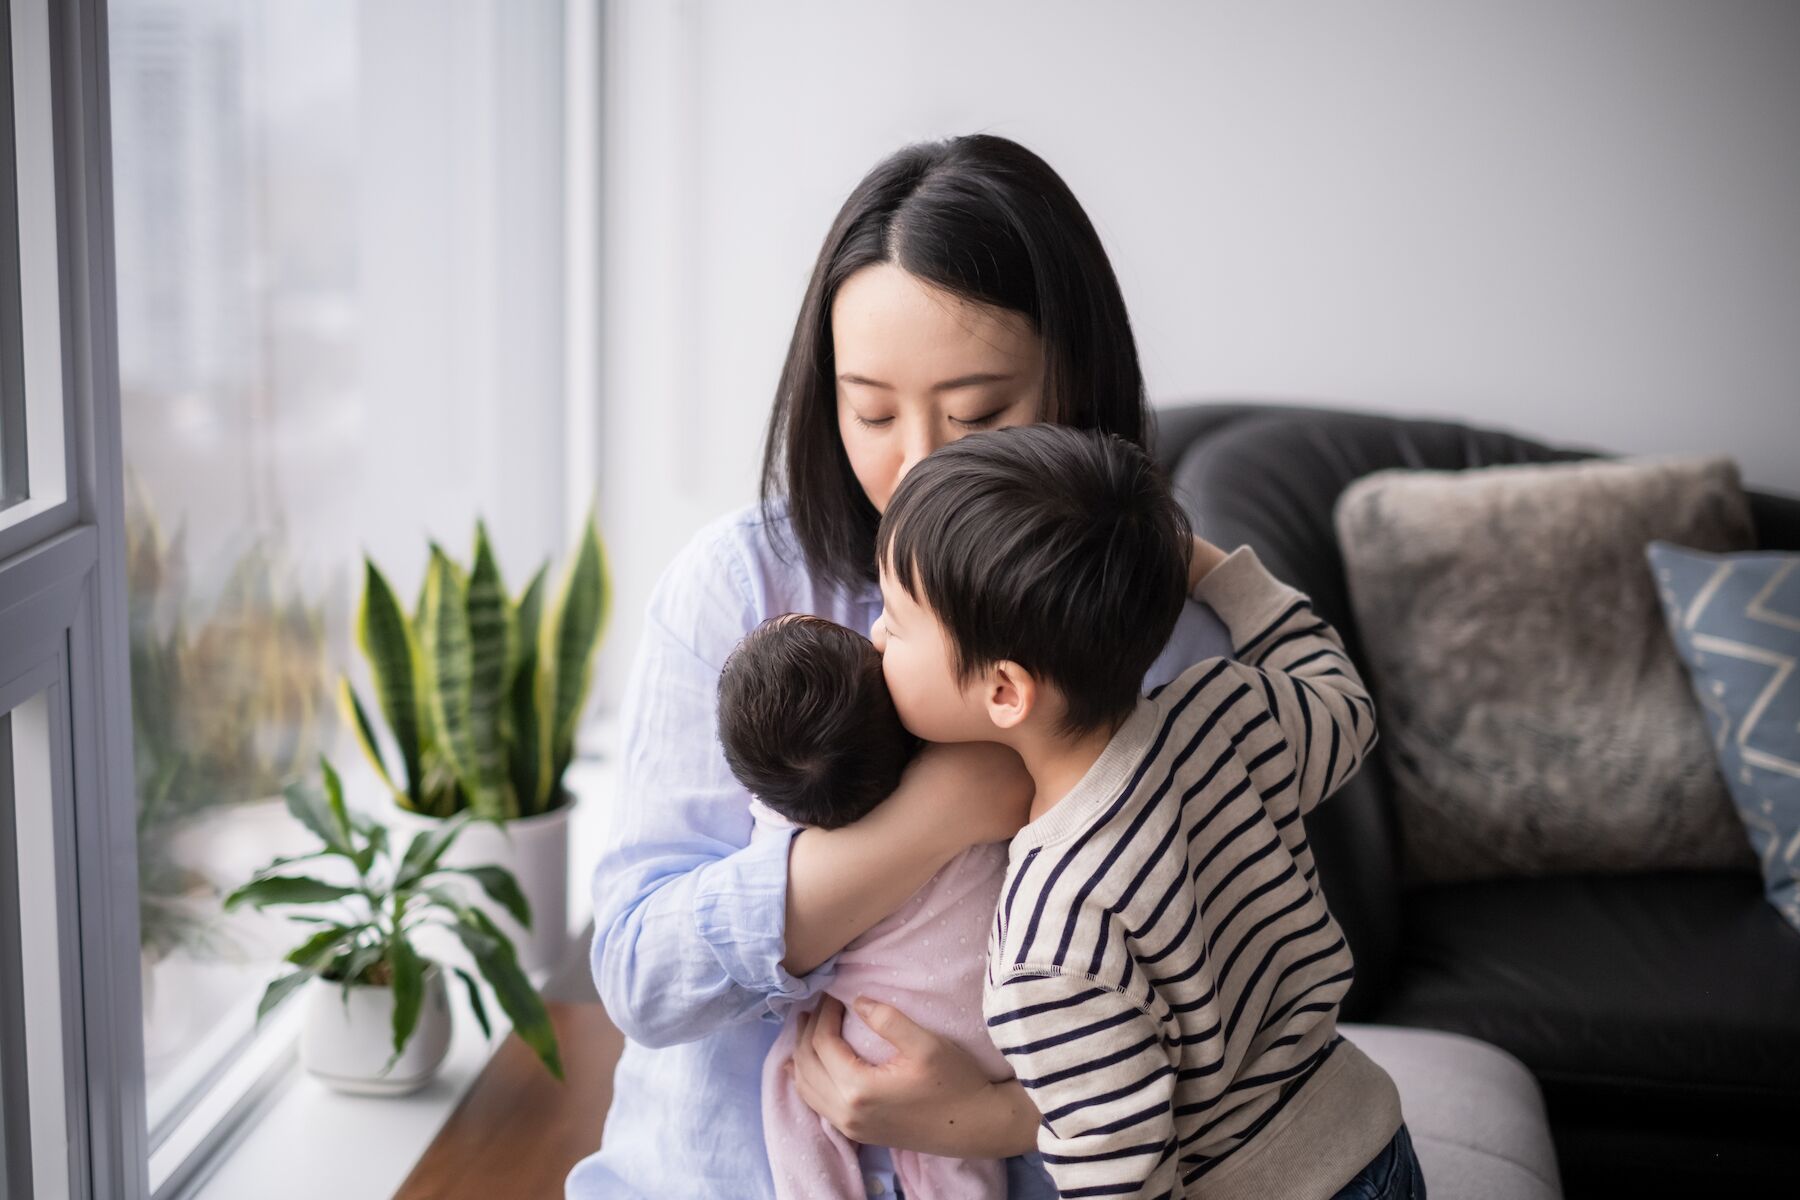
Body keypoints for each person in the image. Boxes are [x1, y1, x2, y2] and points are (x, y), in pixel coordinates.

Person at [567, 133, 1234, 1200]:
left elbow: (1214, 1027)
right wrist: (941, 815)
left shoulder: (1169, 639)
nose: (921, 465)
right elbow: (643, 976)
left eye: (979, 414)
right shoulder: (742, 585)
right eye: (871, 410)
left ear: (1080, 384)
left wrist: (982, 1118)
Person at [870, 424, 1423, 1200]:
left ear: (1005, 692)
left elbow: (1119, 1177)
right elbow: (1344, 708)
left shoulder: (1049, 927)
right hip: (1380, 1145)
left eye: (895, 621)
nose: (873, 637)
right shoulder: (1229, 710)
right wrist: (1214, 570)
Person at [717, 614, 1015, 1198]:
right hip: (1003, 1029)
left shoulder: (780, 825)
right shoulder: (947, 744)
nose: (879, 627)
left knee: (790, 1073)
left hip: (880, 1035)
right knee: (954, 1158)